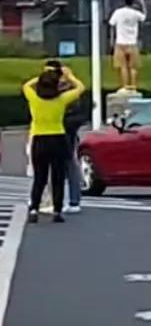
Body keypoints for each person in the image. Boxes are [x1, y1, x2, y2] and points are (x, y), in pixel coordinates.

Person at [23, 62, 86, 223]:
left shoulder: (34, 99)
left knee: (40, 178)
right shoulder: (62, 100)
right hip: (58, 138)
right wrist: (68, 76)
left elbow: (26, 85)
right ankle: (57, 211)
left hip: (40, 138)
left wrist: (44, 75)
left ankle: (34, 208)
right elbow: (80, 88)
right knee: (58, 177)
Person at [63, 77, 90, 212]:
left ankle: (73, 200)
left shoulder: (67, 97)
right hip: (64, 133)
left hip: (65, 134)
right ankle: (69, 200)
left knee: (69, 166)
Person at [109, 0, 144, 89]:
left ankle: (125, 87)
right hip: (132, 42)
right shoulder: (136, 13)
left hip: (120, 42)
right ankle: (133, 86)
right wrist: (142, 4)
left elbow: (111, 23)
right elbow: (144, 17)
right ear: (133, 3)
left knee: (123, 67)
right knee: (133, 67)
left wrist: (111, 40)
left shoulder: (118, 12)